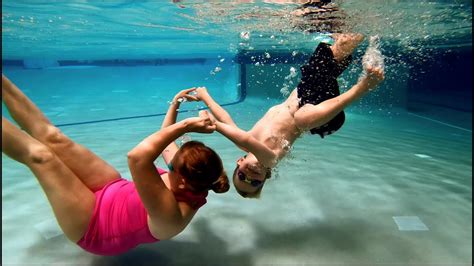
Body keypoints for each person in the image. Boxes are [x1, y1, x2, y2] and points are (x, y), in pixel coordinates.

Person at [1, 75, 229, 256]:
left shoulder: (172, 215)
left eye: (171, 166)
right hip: (113, 188)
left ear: (181, 180)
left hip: (94, 227)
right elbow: (165, 141)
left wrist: (186, 126)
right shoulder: (190, 178)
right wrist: (175, 104)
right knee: (53, 137)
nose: (169, 159)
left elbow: (137, 158)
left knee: (42, 157)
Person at [194, 33, 385, 198]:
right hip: (322, 119)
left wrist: (206, 97)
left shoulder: (244, 142)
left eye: (242, 176)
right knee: (301, 119)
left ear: (239, 162)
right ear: (266, 177)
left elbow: (226, 119)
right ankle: (364, 86)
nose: (250, 175)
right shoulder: (271, 160)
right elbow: (236, 133)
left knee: (342, 45)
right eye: (254, 182)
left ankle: (365, 27)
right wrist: (214, 125)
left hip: (308, 94)